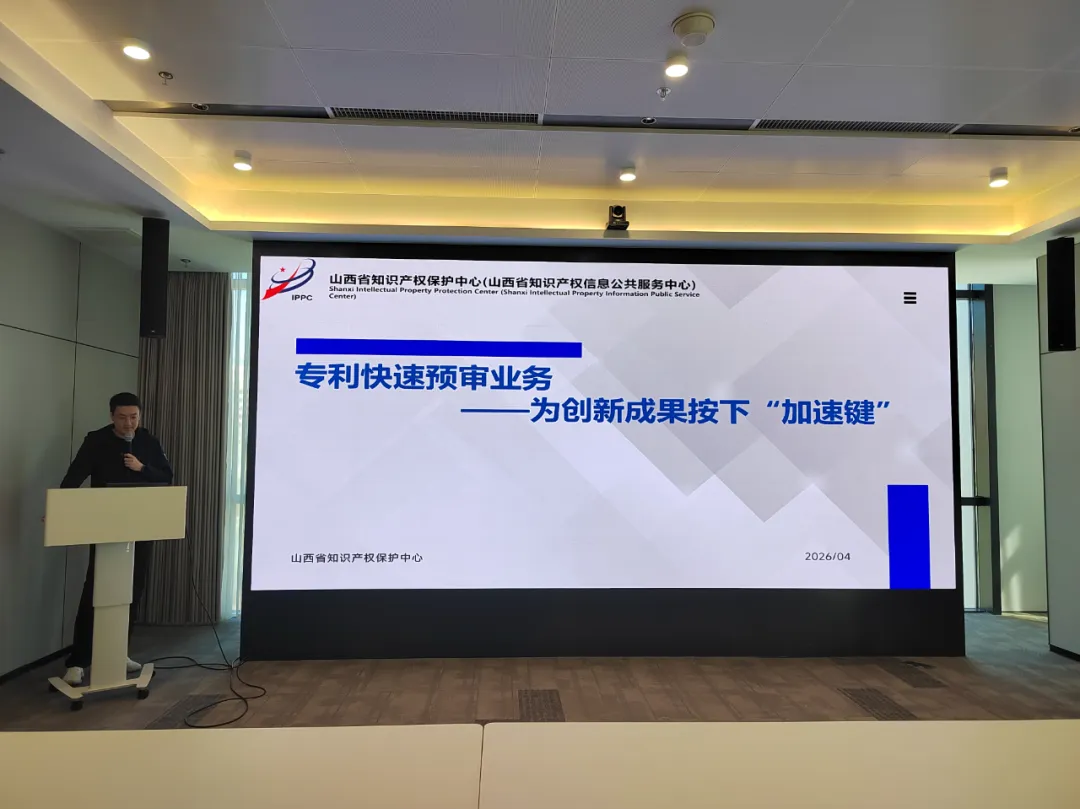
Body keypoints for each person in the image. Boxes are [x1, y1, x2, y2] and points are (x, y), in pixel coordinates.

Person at [58, 392, 173, 686]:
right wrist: (58, 508)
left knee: (132, 589)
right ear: (112, 417)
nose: (129, 423)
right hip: (105, 525)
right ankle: (78, 661)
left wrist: (141, 468)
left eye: (134, 417)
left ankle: (118, 652)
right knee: (95, 590)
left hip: (141, 523)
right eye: (122, 418)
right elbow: (74, 476)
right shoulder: (96, 440)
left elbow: (166, 476)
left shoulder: (148, 441)